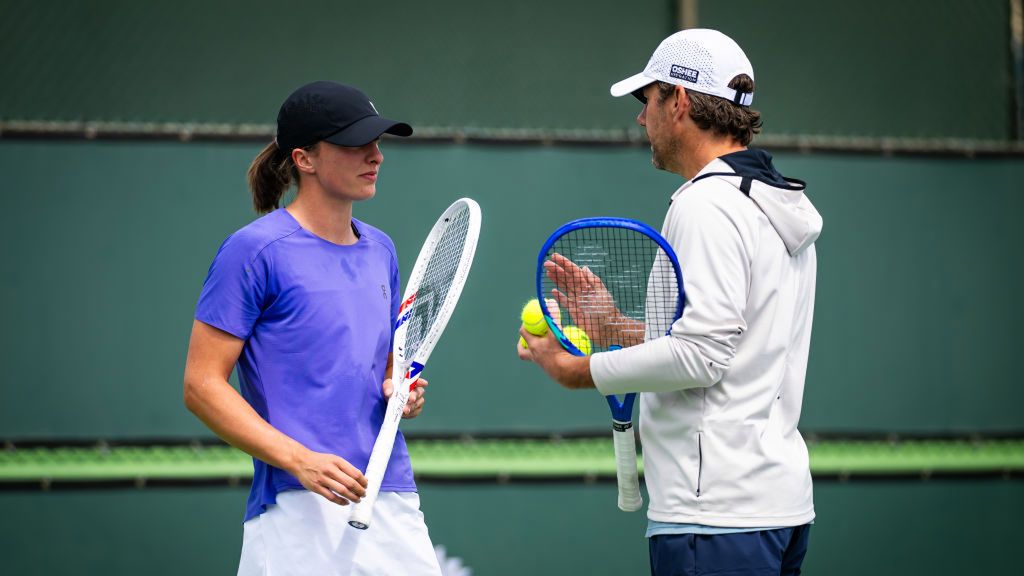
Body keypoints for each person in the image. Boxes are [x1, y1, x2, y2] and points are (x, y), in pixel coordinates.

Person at [519, 29, 822, 575]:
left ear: (678, 101)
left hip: (715, 521)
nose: (641, 119)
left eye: (647, 100)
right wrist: (615, 327)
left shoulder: (706, 205)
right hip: (776, 508)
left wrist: (579, 370)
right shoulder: (771, 204)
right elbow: (731, 343)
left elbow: (701, 357)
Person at [183, 80, 442, 575]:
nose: (376, 156)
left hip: (389, 490)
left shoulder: (381, 249)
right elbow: (200, 385)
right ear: (305, 159)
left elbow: (382, 359)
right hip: (296, 502)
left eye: (379, 142)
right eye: (355, 143)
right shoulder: (253, 250)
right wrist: (299, 459)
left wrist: (399, 388)